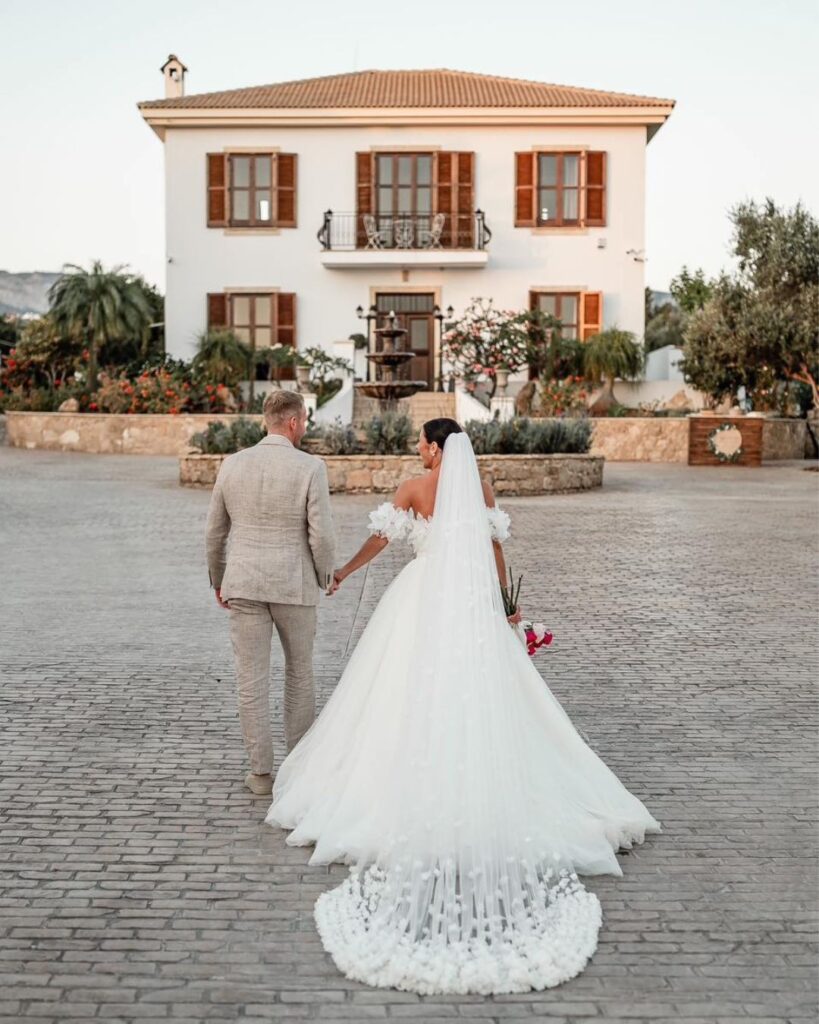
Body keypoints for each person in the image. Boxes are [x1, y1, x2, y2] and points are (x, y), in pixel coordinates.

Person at [265, 417, 662, 995]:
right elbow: (494, 546)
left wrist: (345, 573)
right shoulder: (480, 488)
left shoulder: (413, 486)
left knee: (398, 687)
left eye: (421, 444)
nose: (418, 452)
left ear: (433, 446)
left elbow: (381, 540)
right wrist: (505, 607)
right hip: (472, 603)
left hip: (422, 598)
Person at [205, 389, 335, 797]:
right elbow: (322, 536)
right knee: (299, 672)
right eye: (305, 421)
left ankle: (261, 773)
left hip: (243, 582)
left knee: (251, 677)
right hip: (293, 584)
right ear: (294, 422)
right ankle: (296, 768)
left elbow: (214, 532)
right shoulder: (311, 467)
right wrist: (324, 575)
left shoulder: (232, 464)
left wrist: (218, 579)